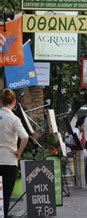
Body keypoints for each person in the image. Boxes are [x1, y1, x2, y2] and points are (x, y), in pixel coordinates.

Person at [0, 89, 29, 217]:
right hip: (9, 160)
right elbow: (25, 137)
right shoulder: (14, 119)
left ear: (1, 101)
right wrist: (18, 152)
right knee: (5, 194)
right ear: (14, 102)